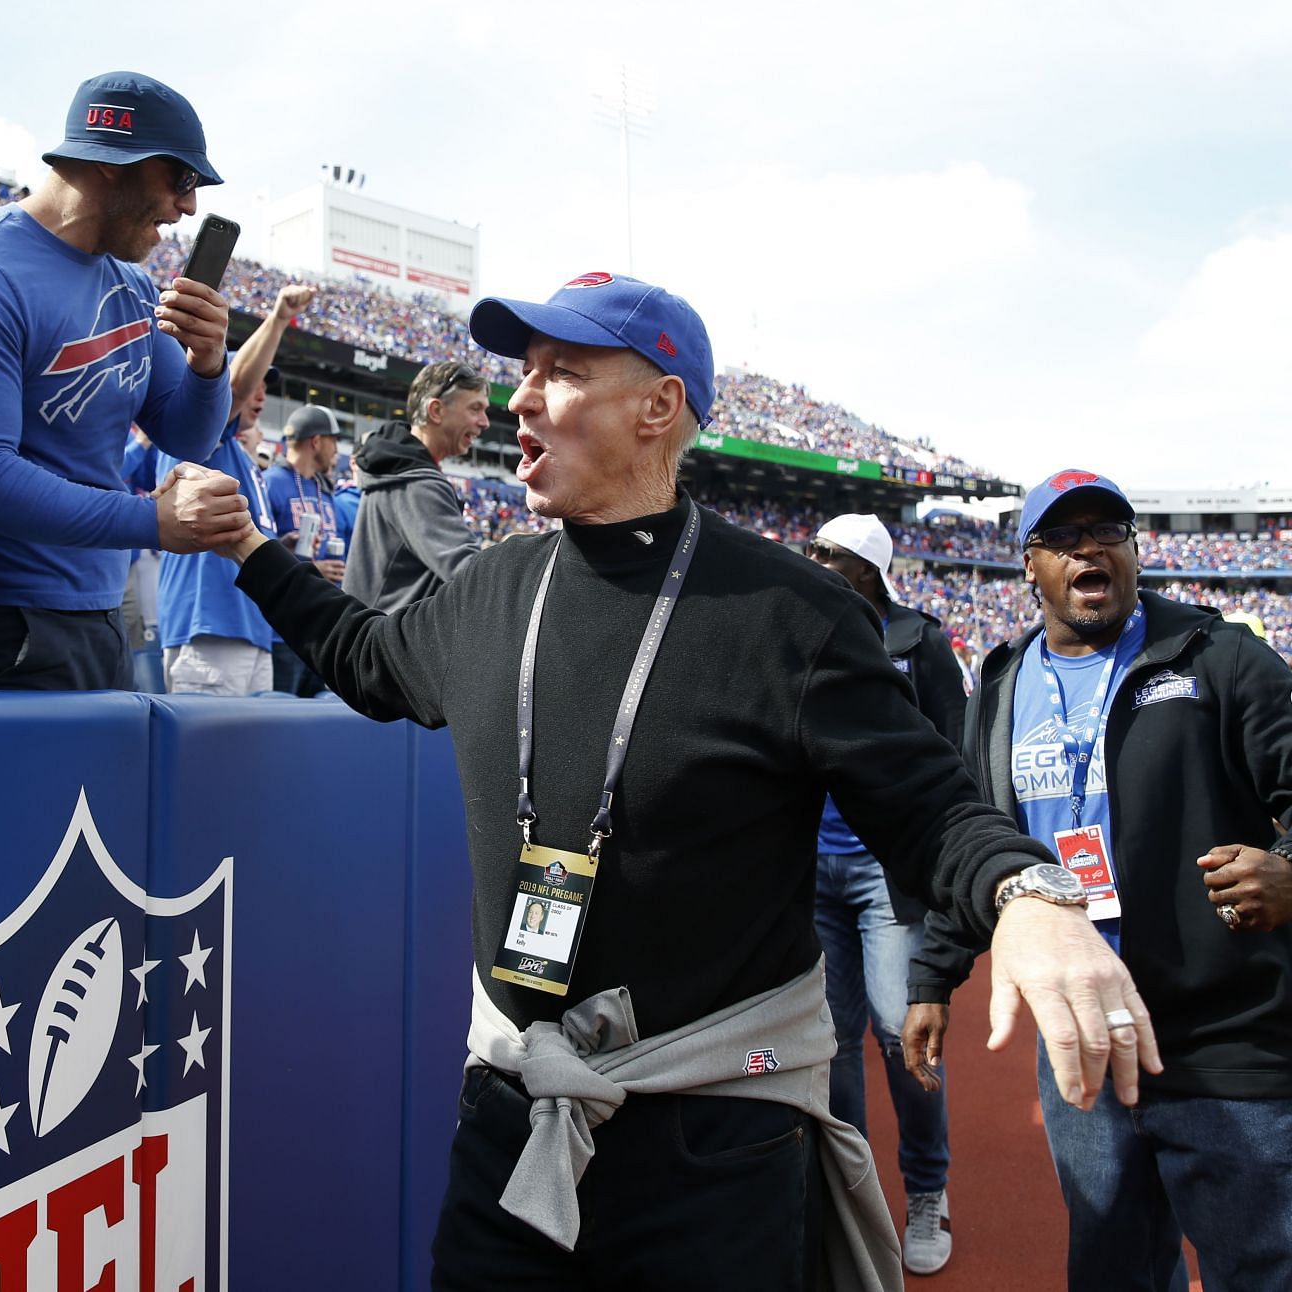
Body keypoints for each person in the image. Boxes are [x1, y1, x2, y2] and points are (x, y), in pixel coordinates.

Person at [195, 272, 1155, 1288]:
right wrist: (249, 547)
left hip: (718, 1144)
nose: (520, 397)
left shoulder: (792, 612)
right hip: (511, 1124)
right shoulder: (488, 588)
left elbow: (929, 806)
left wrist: (1028, 894)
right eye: (521, 373)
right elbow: (363, 655)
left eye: (561, 372)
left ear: (660, 407)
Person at [904, 468, 1292, 1291]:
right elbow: (984, 833)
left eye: (1108, 532)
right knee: (1111, 1264)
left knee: (1262, 1269)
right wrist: (934, 976)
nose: (1090, 548)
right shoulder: (1003, 686)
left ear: (1134, 553)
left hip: (1226, 1035)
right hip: (1081, 1029)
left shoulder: (1218, 655)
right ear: (1030, 565)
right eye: (1065, 537)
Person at [0, 70, 248, 691]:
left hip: (97, 613)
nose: (188, 206)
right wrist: (151, 522)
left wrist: (208, 363)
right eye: (182, 178)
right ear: (114, 162)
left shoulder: (134, 284)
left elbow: (189, 438)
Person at [805, 512, 962, 1275]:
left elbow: (955, 753)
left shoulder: (919, 642)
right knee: (830, 1047)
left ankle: (928, 1190)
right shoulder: (799, 628)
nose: (812, 562)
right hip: (815, 874)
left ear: (865, 570)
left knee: (905, 1038)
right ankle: (855, 1195)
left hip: (886, 876)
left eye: (826, 555)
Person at [149, 288, 310, 695]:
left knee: (249, 758)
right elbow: (231, 393)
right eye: (256, 381)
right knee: (209, 758)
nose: (261, 394)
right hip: (209, 628)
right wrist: (277, 319)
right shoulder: (205, 437)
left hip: (252, 629)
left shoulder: (241, 458)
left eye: (265, 387)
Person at [345, 359, 489, 611]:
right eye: (475, 409)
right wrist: (517, 561)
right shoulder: (416, 482)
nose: (484, 422)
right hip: (383, 641)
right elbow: (469, 575)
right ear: (436, 411)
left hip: (371, 634)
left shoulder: (402, 470)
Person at [264, 403, 344, 695]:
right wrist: (313, 570)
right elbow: (260, 552)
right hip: (281, 632)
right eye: (334, 441)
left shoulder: (324, 490)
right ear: (316, 441)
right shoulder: (271, 482)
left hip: (320, 630)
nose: (336, 450)